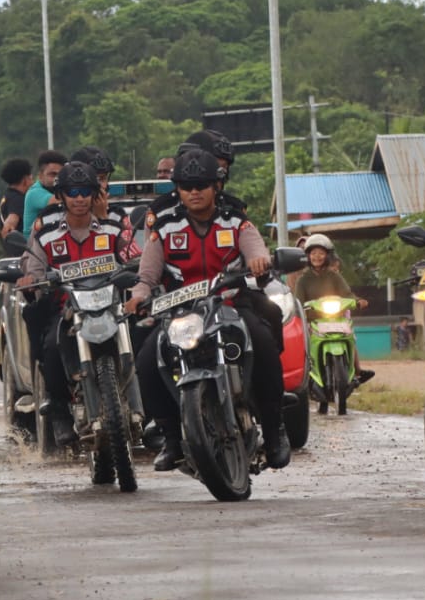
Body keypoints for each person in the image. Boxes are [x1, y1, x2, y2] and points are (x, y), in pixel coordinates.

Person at [124, 149, 291, 472]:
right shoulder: (164, 228)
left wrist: (258, 260)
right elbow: (147, 276)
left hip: (231, 304)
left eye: (201, 185)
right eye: (186, 186)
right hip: (180, 313)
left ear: (217, 186)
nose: (194, 192)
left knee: (263, 341)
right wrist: (138, 296)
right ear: (178, 190)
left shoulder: (237, 221)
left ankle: (274, 431)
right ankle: (172, 439)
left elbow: (255, 248)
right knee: (146, 360)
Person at [21, 161, 124, 446]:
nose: (79, 198)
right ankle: (60, 410)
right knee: (52, 346)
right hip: (67, 309)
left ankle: (157, 420)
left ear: (95, 194)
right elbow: (34, 268)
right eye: (72, 192)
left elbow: (135, 255)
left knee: (145, 337)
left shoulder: (113, 226)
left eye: (85, 191)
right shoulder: (46, 232)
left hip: (112, 307)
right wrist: (31, 280)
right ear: (62, 196)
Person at [293, 233, 375, 386]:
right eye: (313, 253)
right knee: (301, 345)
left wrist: (358, 301)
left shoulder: (334, 276)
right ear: (308, 256)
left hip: (336, 319)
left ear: (327, 256)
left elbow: (347, 294)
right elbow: (298, 301)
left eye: (321, 253)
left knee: (350, 337)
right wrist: (299, 309)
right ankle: (303, 374)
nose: (317, 257)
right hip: (312, 322)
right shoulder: (302, 280)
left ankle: (356, 371)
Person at [21, 150, 67, 238]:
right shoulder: (34, 193)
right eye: (52, 174)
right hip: (34, 244)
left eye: (61, 175)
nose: (57, 178)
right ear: (40, 176)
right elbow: (58, 201)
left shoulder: (60, 191)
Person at [0, 158, 34, 250]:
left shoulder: (8, 197)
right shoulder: (18, 200)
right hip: (25, 255)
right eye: (31, 178)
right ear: (25, 180)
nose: (32, 183)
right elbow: (8, 228)